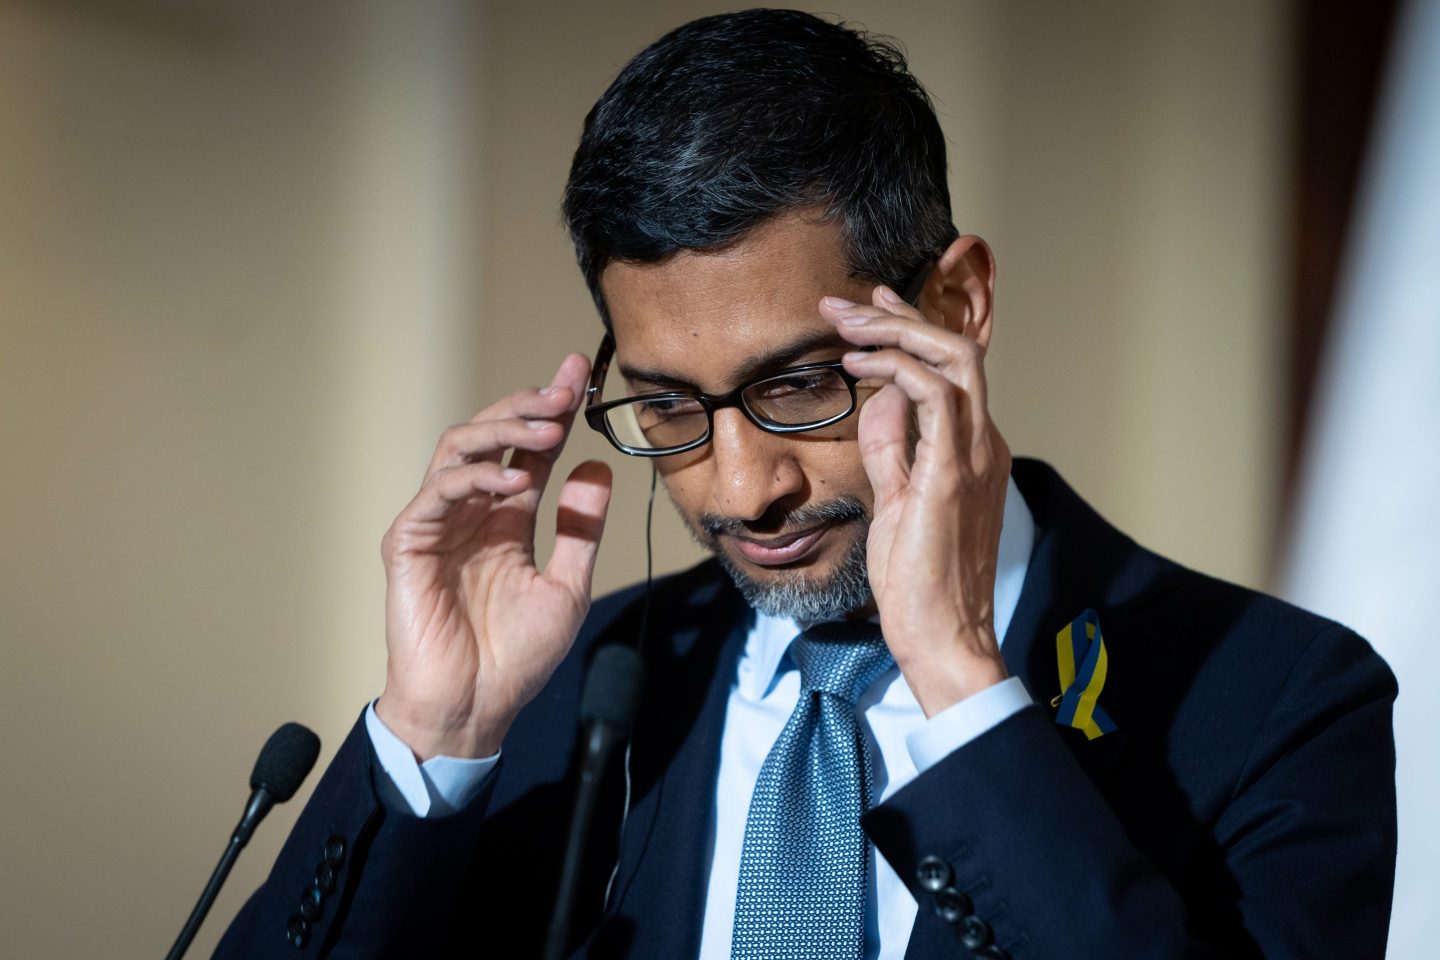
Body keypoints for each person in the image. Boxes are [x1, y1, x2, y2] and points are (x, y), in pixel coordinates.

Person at [216, 10, 1397, 959]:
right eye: (672, 407)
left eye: (799, 386)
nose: (742, 489)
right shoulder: (575, 694)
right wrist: (440, 730)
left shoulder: (1282, 702)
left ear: (956, 307)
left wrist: (960, 677)